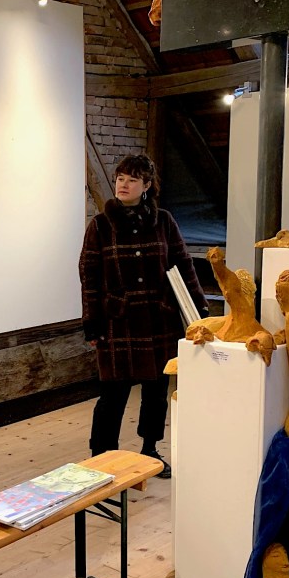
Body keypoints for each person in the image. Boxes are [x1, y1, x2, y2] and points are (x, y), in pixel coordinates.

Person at [79, 153, 208, 478]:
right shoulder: (100, 225)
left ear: (146, 185)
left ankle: (150, 450)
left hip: (158, 320)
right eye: (120, 178)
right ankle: (100, 458)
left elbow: (183, 265)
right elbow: (89, 277)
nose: (123, 184)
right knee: (112, 396)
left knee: (155, 393)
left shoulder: (163, 221)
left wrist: (199, 310)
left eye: (132, 179)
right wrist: (92, 323)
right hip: (117, 322)